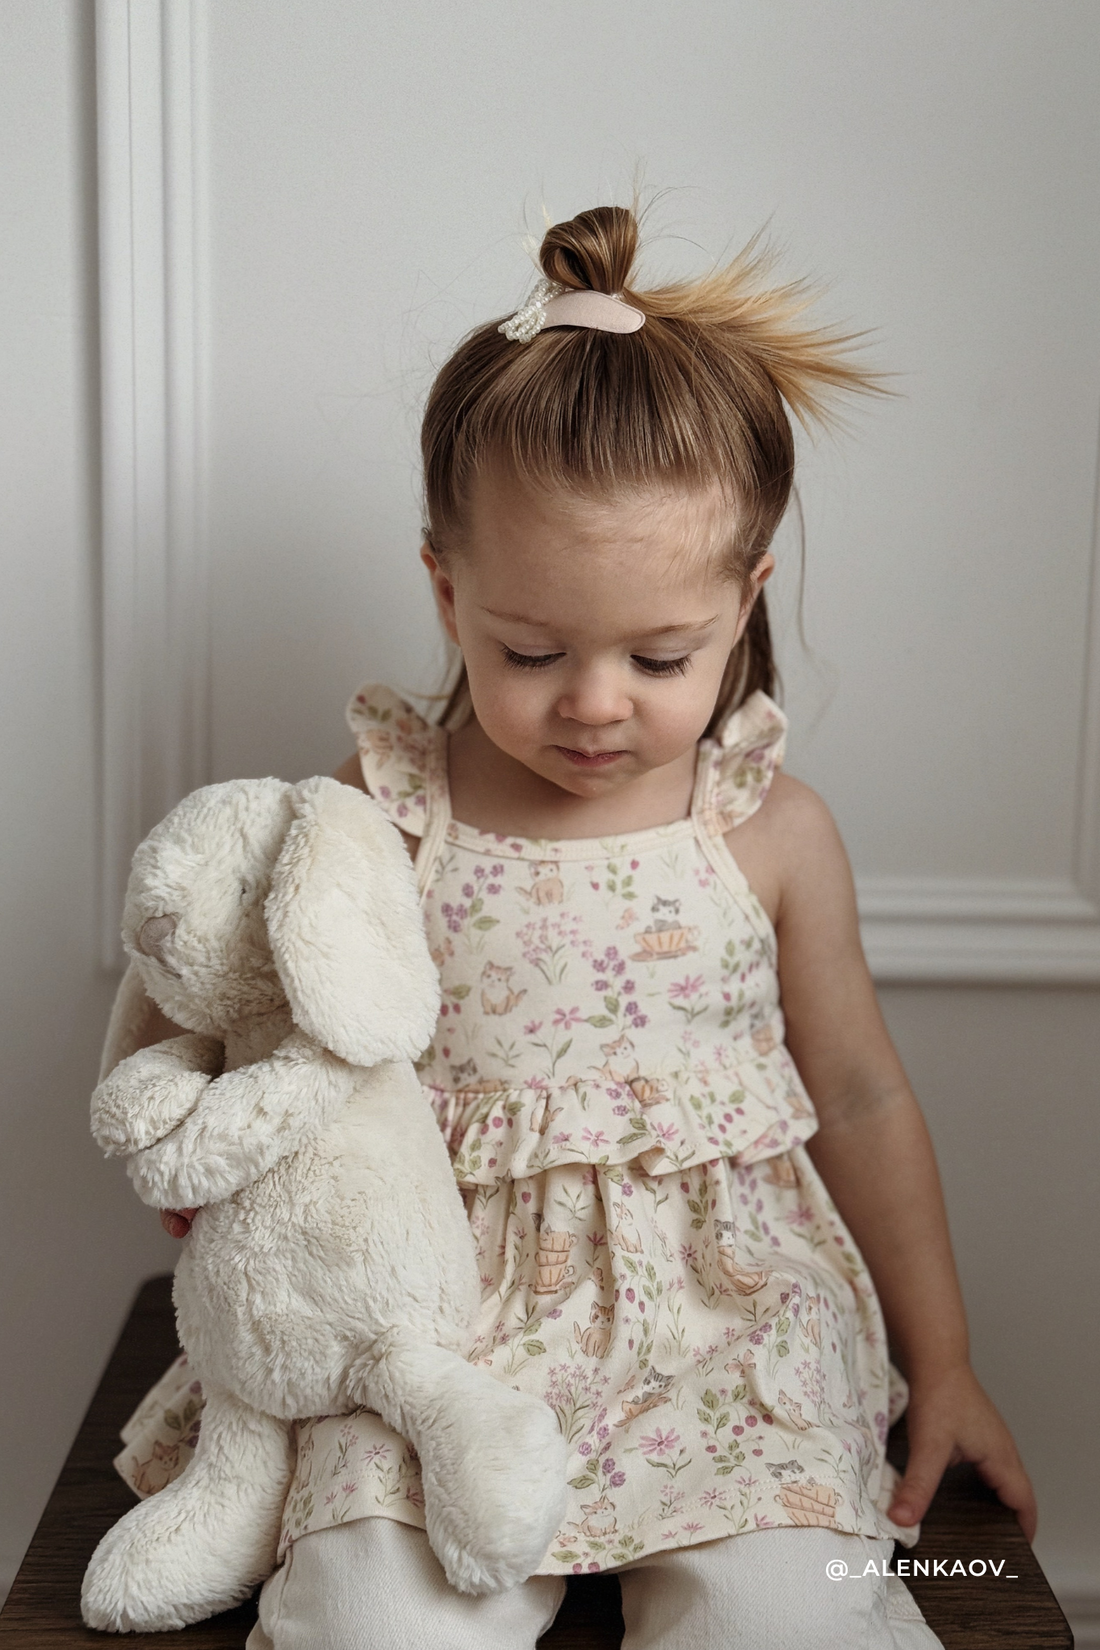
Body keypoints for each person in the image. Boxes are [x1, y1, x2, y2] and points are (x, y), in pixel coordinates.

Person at [124, 204, 1035, 1648]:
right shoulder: (383, 812)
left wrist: (950, 1360)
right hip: (439, 1323)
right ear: (448, 590)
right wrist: (205, 1133)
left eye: (661, 656)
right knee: (372, 1622)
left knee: (789, 1624)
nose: (595, 703)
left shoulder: (768, 829)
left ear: (744, 600)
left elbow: (862, 1094)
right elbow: (231, 992)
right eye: (531, 650)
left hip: (720, 1321)